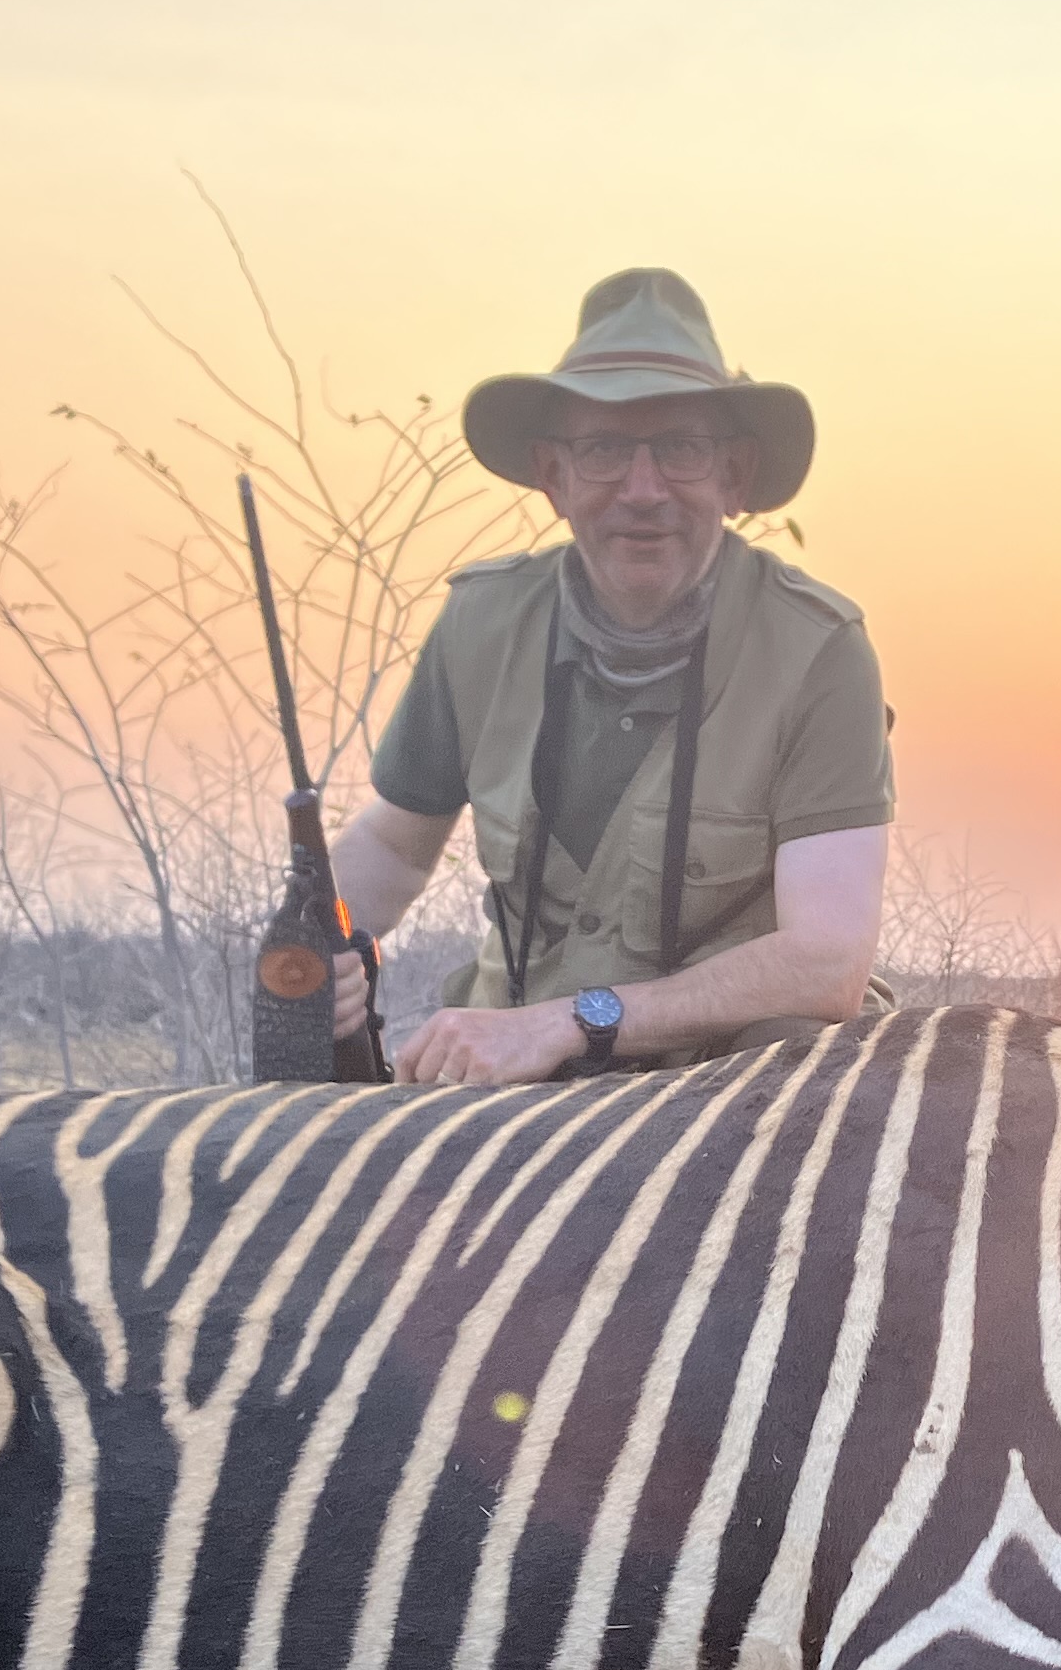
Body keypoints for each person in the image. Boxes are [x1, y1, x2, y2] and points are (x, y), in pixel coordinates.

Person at [326, 269, 893, 1086]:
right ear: (553, 475)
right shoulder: (480, 624)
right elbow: (392, 844)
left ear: (734, 476)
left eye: (680, 450)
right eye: (603, 451)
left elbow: (826, 962)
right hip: (512, 1076)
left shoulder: (820, 649)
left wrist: (572, 1022)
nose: (643, 490)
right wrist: (318, 942)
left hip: (727, 1088)